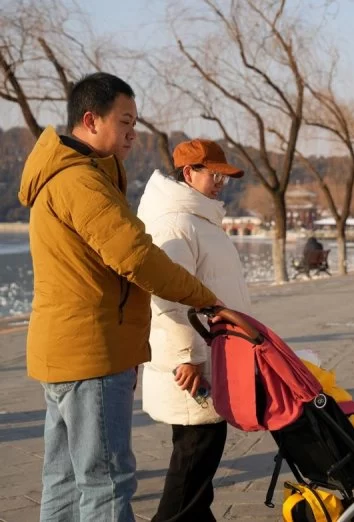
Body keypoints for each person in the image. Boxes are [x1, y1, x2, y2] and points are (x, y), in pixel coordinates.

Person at [17, 72, 220, 522]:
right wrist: (204, 298)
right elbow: (136, 256)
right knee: (107, 483)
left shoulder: (76, 175)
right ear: (91, 120)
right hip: (92, 353)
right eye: (125, 122)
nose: (133, 134)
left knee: (66, 480)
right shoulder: (79, 183)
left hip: (68, 351)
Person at [137, 140, 249, 521]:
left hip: (214, 353)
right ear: (189, 173)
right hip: (193, 365)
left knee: (200, 458)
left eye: (224, 176)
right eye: (214, 174)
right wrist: (188, 357)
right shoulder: (176, 222)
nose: (221, 183)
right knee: (193, 457)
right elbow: (168, 297)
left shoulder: (199, 219)